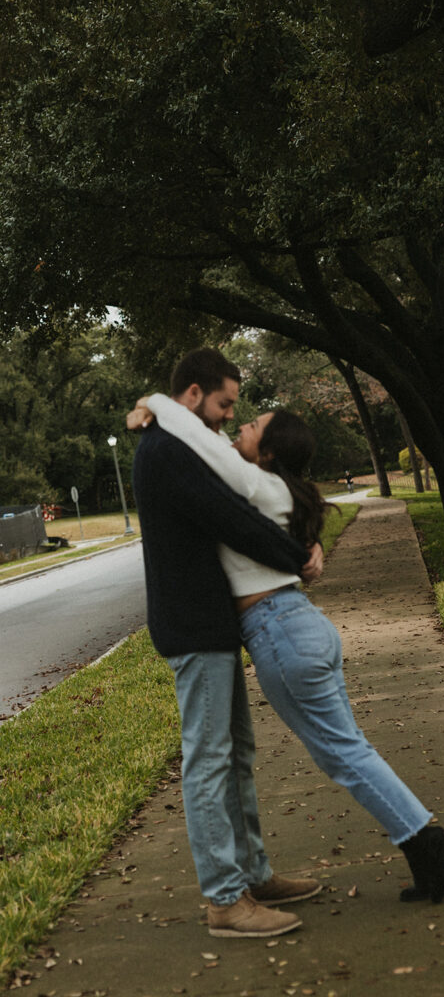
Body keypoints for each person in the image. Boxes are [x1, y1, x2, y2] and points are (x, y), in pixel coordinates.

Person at [132, 390, 444, 905]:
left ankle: (423, 841)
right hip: (298, 627)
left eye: (252, 427)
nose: (239, 427)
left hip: (280, 633)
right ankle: (426, 838)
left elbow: (202, 438)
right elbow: (210, 444)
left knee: (343, 754)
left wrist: (156, 400)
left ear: (268, 453)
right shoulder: (269, 490)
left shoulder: (256, 484)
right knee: (351, 749)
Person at [131, 348, 325, 940]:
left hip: (211, 623)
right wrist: (297, 557)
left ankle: (253, 875)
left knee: (236, 755)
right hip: (192, 624)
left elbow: (246, 503)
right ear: (193, 394)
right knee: (210, 760)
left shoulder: (182, 442)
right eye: (223, 403)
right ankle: (224, 899)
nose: (228, 415)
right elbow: (231, 519)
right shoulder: (166, 450)